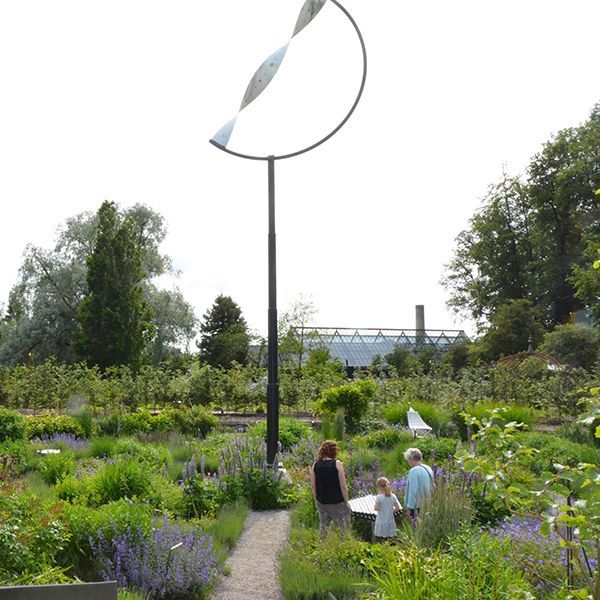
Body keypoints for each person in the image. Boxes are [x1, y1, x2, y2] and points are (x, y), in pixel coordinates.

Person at [310, 439, 351, 535]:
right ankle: (342, 547)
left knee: (324, 527)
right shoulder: (337, 464)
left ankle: (323, 546)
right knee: (343, 527)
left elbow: (313, 485)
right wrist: (346, 501)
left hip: (322, 501)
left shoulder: (315, 465)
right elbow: (343, 485)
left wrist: (317, 499)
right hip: (337, 501)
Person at [403, 447, 434, 524]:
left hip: (417, 506)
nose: (408, 463)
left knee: (416, 529)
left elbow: (413, 491)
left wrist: (409, 508)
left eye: (408, 460)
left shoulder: (414, 471)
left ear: (411, 458)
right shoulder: (428, 468)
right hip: (428, 503)